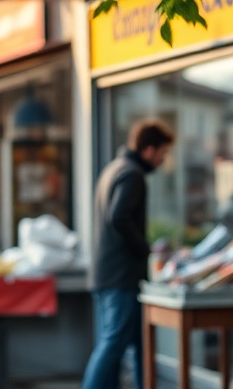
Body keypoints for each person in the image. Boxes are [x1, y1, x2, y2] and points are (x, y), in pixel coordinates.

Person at [82, 118, 174, 389]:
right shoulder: (132, 174)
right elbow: (119, 216)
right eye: (163, 153)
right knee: (113, 344)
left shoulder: (114, 169)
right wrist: (146, 249)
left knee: (134, 343)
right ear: (149, 149)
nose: (162, 160)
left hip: (106, 274)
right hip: (120, 277)